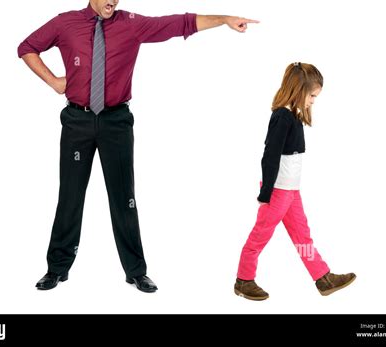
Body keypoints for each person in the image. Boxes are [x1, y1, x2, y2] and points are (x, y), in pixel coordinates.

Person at [18, 0, 259, 293]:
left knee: (124, 200)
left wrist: (223, 19)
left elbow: (177, 23)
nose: (114, 0)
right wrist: (55, 82)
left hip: (116, 123)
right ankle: (57, 268)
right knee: (69, 197)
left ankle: (136, 271)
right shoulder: (65, 22)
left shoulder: (131, 23)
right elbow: (27, 47)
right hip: (76, 122)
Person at [235, 63, 356, 300]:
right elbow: (269, 156)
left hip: (291, 193)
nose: (313, 101)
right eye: (312, 95)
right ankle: (244, 279)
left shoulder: (294, 117)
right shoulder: (282, 117)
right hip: (277, 192)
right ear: (298, 90)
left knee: (303, 236)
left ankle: (322, 277)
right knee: (260, 234)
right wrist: (266, 193)